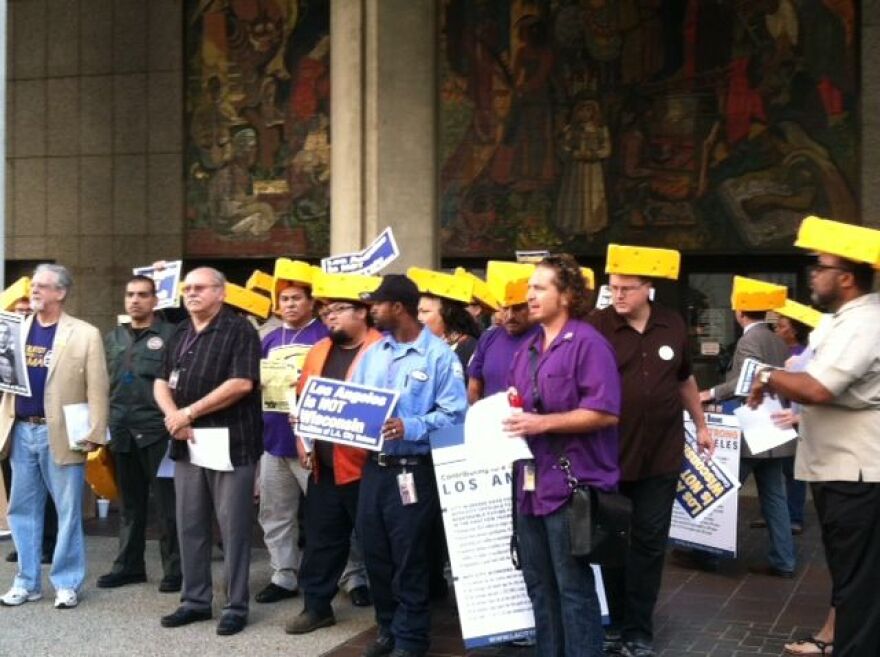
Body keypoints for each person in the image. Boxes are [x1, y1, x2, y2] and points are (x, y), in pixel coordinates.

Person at [748, 216, 880, 657]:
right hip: (840, 469)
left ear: (845, 277)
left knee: (858, 586)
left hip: (855, 474)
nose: (812, 273)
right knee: (852, 579)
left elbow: (819, 388)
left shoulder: (864, 322)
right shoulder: (846, 320)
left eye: (820, 266)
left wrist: (767, 374)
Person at [589, 245, 714, 657]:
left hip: (661, 455)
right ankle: (616, 622)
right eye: (613, 288)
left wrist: (700, 424)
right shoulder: (596, 326)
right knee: (611, 541)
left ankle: (639, 631)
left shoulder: (672, 325)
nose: (618, 295)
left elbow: (684, 380)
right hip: (610, 456)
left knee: (648, 543)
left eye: (626, 288)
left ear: (648, 289)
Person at [502, 254, 621, 657]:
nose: (529, 296)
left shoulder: (589, 343)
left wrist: (542, 424)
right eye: (529, 287)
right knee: (538, 582)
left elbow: (604, 412)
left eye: (540, 288)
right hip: (530, 485)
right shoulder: (528, 348)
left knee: (572, 585)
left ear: (567, 295)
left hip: (571, 485)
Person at [350, 274, 468, 657]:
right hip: (375, 468)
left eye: (377, 305)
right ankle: (387, 629)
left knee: (410, 556)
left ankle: (412, 638)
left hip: (412, 469)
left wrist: (411, 425)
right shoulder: (373, 353)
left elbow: (455, 416)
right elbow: (355, 402)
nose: (372, 312)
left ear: (398, 307)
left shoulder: (439, 356)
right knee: (376, 552)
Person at [155, 267, 262, 636]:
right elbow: (159, 382)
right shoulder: (181, 332)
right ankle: (195, 601)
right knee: (190, 523)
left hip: (230, 442)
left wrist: (190, 411)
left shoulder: (239, 329)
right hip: (187, 442)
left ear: (221, 292)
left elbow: (241, 383)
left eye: (200, 288)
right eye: (187, 288)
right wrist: (174, 417)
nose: (191, 293)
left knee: (233, 528)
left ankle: (235, 605)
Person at [0, 264, 109, 609]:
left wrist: (96, 431)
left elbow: (98, 388)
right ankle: (27, 582)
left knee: (67, 510)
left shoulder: (85, 334)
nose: (34, 292)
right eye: (33, 286)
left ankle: (65, 582)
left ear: (60, 293)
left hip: (61, 431)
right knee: (22, 509)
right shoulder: (14, 329)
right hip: (20, 428)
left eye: (42, 287)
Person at [284, 273, 383, 634]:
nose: (331, 316)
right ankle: (316, 606)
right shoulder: (319, 350)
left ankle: (388, 615)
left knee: (377, 542)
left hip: (366, 468)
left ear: (363, 312)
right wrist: (302, 441)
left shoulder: (381, 350)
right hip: (323, 467)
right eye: (328, 310)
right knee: (322, 540)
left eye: (340, 309)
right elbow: (302, 398)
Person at [701, 280, 796, 578]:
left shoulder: (748, 341)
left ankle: (708, 554)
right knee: (774, 497)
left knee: (723, 491)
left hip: (754, 429)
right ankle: (784, 560)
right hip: (775, 430)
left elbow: (743, 383)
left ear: (740, 311)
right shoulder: (778, 340)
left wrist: (709, 394)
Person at [96, 275, 181, 593]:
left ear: (155, 300)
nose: (135, 300)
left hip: (158, 431)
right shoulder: (113, 337)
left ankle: (175, 570)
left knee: (167, 504)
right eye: (130, 294)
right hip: (122, 430)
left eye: (143, 295)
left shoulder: (172, 335)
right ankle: (129, 566)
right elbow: (103, 383)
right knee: (130, 505)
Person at [256, 265, 329, 604]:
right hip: (274, 440)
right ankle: (284, 574)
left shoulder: (325, 336)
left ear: (311, 302)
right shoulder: (269, 337)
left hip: (316, 443)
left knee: (328, 514)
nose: (289, 304)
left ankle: (350, 574)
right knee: (275, 512)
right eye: (284, 299)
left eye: (296, 298)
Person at [468, 264, 539, 404]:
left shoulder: (547, 338)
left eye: (518, 308)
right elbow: (474, 387)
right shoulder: (488, 337)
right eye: (505, 308)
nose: (510, 315)